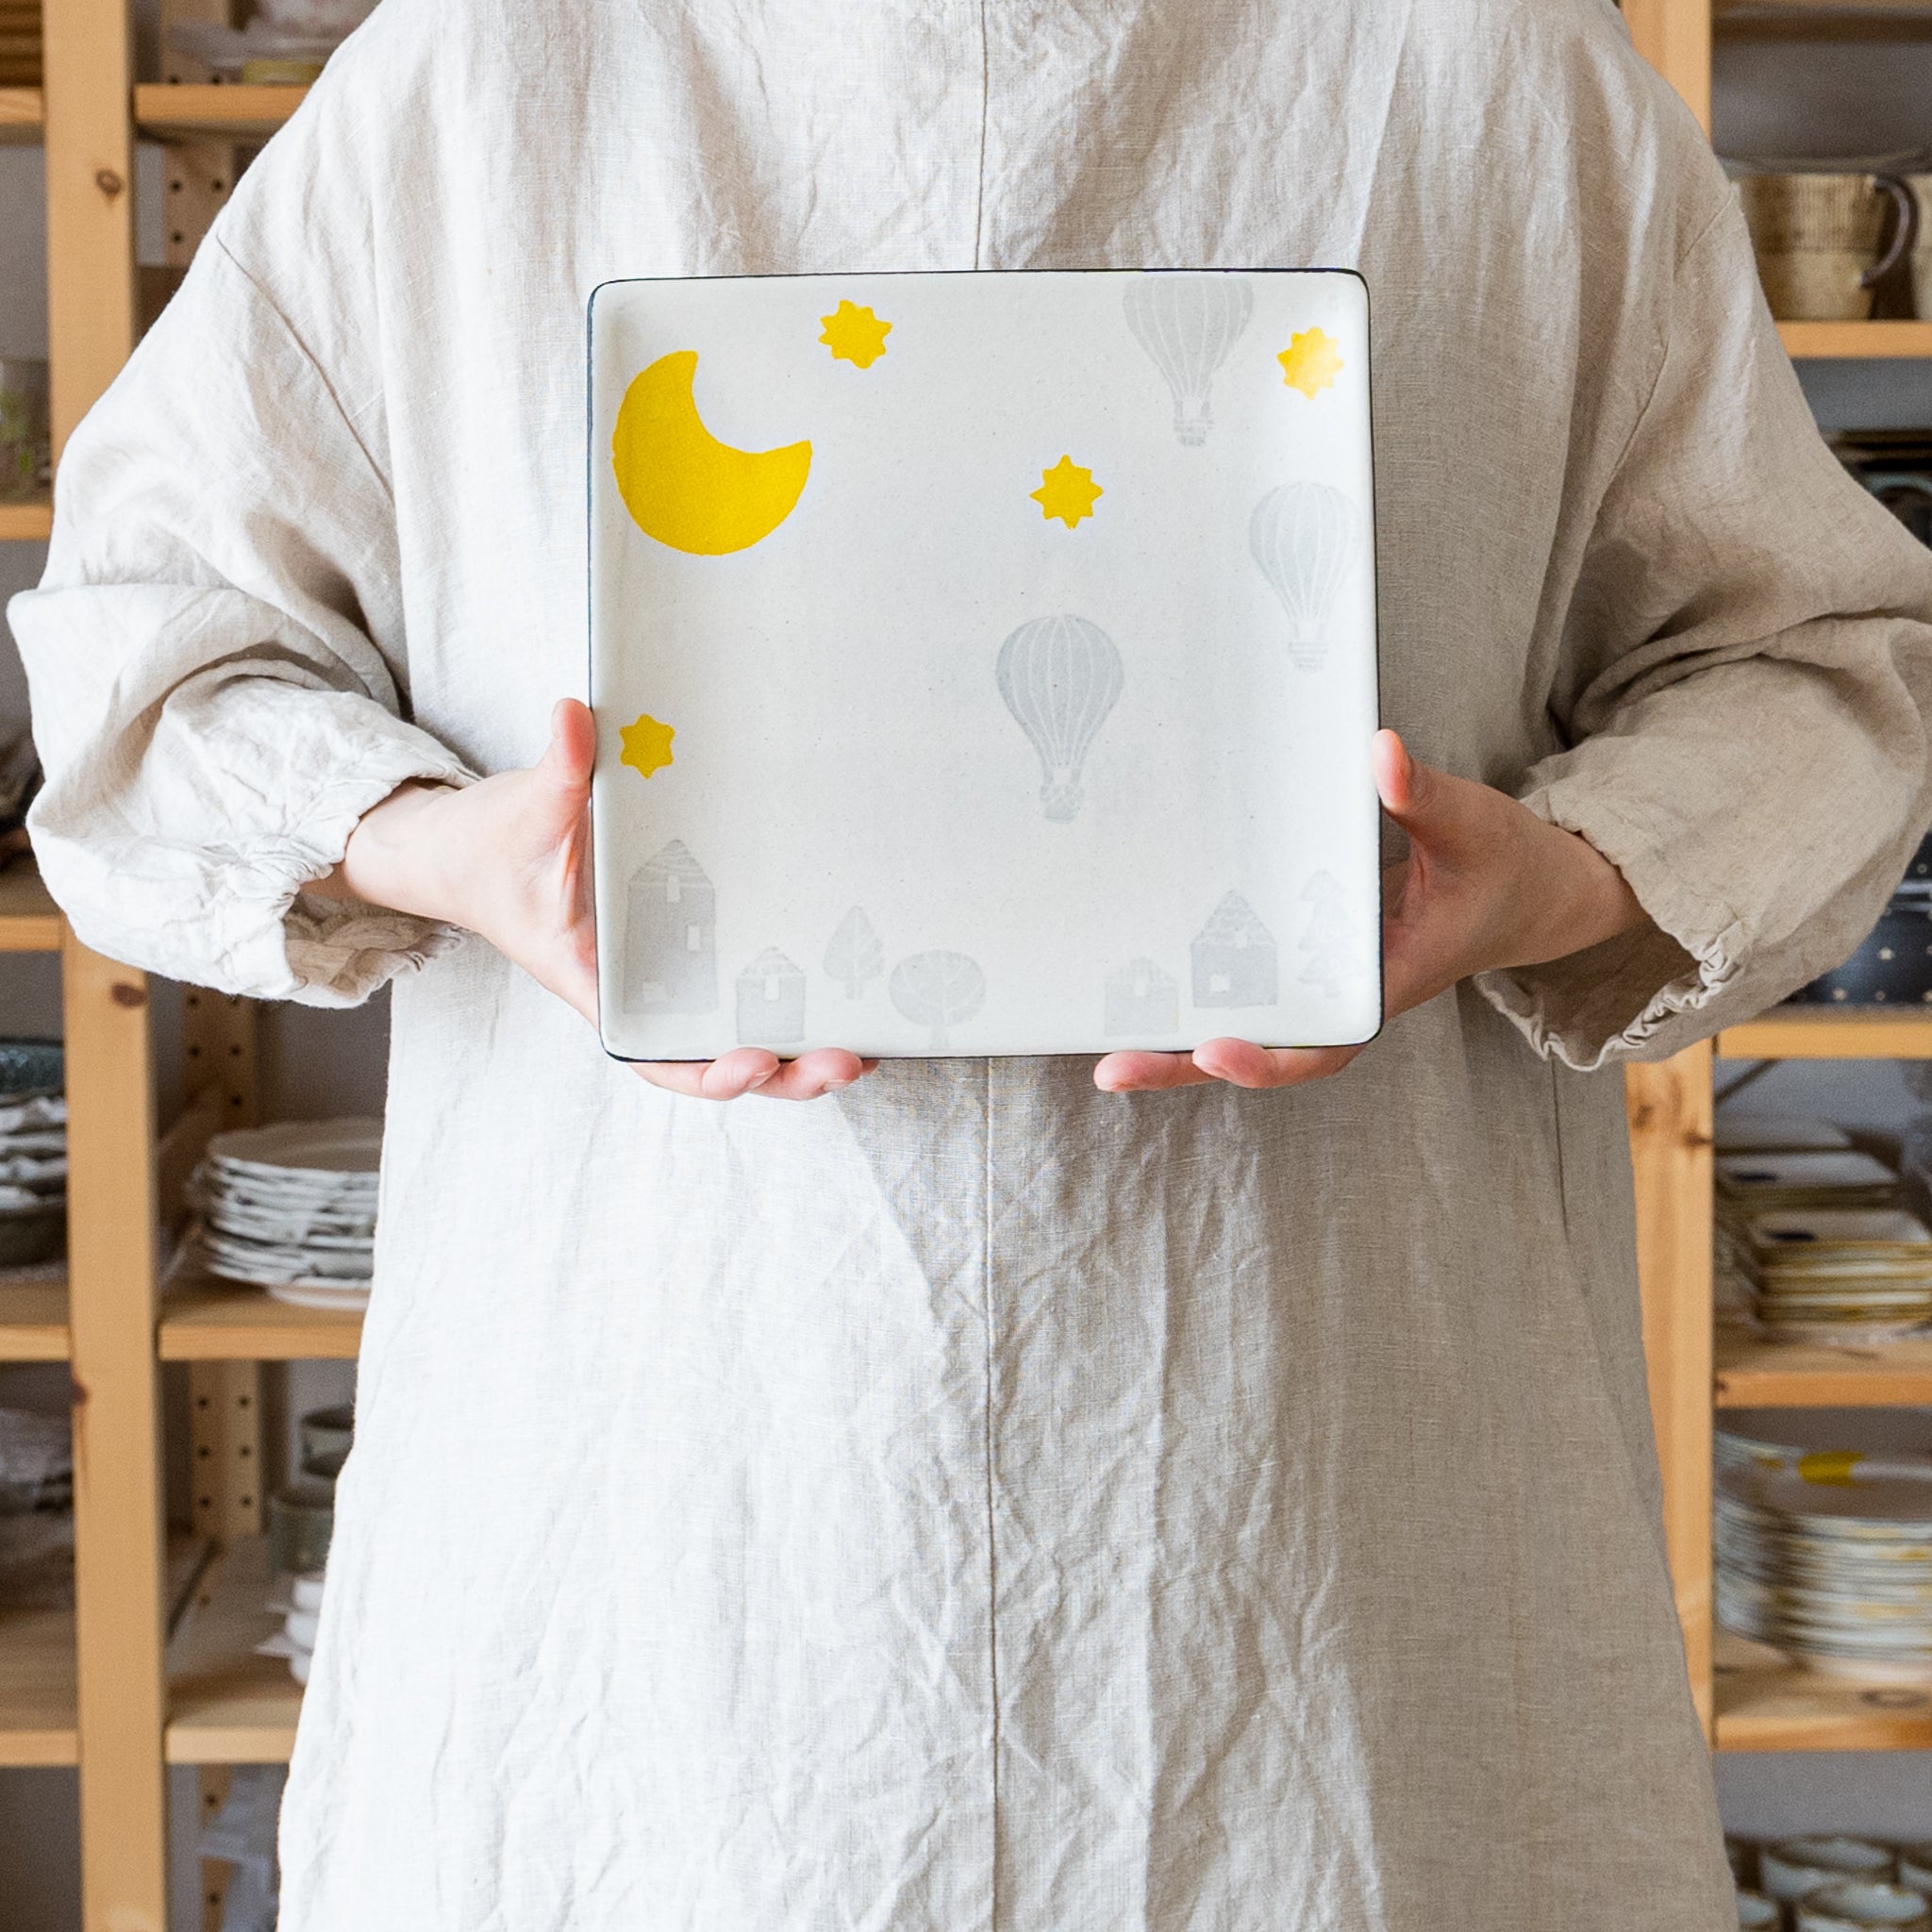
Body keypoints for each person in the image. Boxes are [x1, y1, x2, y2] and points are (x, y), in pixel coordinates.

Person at [13, 1, 1932, 1925]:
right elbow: (146, 660)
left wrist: (1553, 879)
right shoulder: (487, 71)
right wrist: (460, 852)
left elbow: (1815, 662)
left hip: (1328, 1527)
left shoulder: (1484, 66)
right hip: (659, 1542)